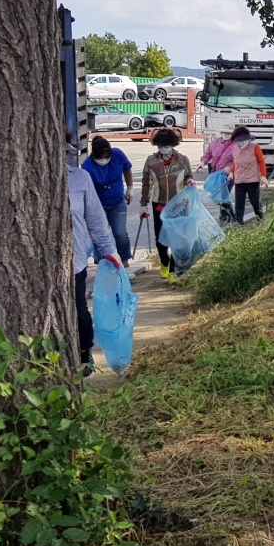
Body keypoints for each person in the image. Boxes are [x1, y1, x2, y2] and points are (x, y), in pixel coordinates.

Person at [67, 130, 122, 374]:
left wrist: (110, 251)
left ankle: (84, 352)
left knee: (79, 310)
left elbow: (96, 220)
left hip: (74, 259)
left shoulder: (79, 178)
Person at [139, 128, 193, 282]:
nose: (164, 149)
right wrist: (143, 204)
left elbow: (189, 177)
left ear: (173, 145)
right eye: (161, 146)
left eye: (167, 146)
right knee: (160, 240)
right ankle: (164, 262)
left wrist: (190, 182)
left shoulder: (183, 160)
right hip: (160, 205)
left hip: (179, 205)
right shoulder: (151, 161)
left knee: (177, 239)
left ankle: (173, 271)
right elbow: (145, 184)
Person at [82, 136, 133, 268]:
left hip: (117, 201)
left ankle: (125, 263)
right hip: (98, 205)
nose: (104, 160)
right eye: (101, 158)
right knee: (100, 235)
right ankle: (101, 264)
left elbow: (127, 169)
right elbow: (87, 189)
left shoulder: (117, 155)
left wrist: (130, 188)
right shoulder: (88, 166)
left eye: (106, 157)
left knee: (120, 233)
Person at [228, 126, 267, 225]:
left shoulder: (255, 147)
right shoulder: (234, 148)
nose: (241, 143)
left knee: (255, 202)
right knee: (239, 204)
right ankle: (239, 223)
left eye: (243, 140)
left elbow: (261, 162)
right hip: (239, 180)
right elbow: (235, 162)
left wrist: (263, 175)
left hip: (252, 180)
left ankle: (261, 220)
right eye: (239, 141)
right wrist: (232, 173)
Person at [201, 129, 237, 223]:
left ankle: (226, 218)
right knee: (222, 197)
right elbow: (208, 154)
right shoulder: (215, 142)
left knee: (223, 196)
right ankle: (232, 217)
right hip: (215, 173)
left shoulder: (236, 145)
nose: (226, 134)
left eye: (228, 132)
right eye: (224, 132)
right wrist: (203, 162)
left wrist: (231, 169)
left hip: (228, 175)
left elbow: (238, 160)